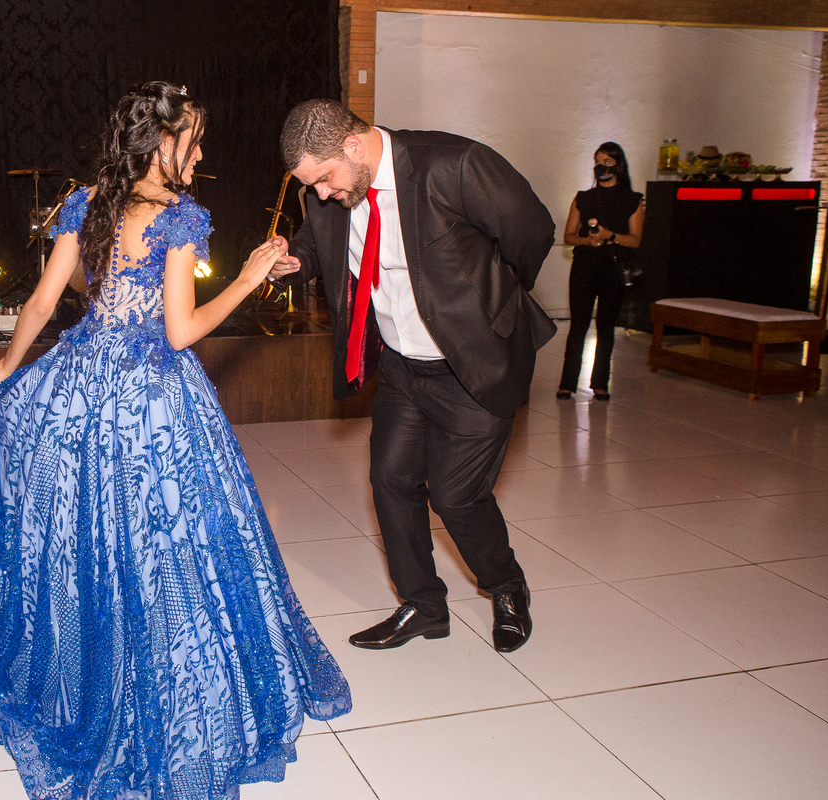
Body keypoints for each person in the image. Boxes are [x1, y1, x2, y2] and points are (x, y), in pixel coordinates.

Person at [0, 82, 350, 800]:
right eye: (194, 140)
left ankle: (80, 668)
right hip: (152, 401)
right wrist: (249, 279)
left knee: (83, 535)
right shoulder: (181, 218)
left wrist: (7, 367)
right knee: (167, 541)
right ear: (164, 144)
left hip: (80, 385)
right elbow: (181, 332)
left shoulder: (87, 202)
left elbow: (43, 300)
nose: (201, 153)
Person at [272, 100, 556, 653]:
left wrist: (494, 305)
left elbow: (531, 231)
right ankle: (424, 604)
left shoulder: (453, 165)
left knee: (456, 495)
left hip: (470, 363)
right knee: (390, 480)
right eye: (313, 186)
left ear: (353, 145)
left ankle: (506, 585)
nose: (322, 194)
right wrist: (294, 259)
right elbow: (317, 239)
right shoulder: (334, 190)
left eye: (324, 179)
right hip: (402, 365)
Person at [556, 142, 644, 401]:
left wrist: (610, 236)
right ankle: (567, 383)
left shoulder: (632, 200)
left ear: (618, 165)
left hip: (613, 272)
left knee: (606, 327)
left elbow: (635, 240)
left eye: (607, 162)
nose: (601, 167)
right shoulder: (583, 198)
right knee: (578, 325)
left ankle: (600, 384)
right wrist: (588, 240)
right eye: (597, 162)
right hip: (584, 268)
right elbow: (569, 236)